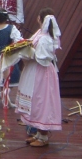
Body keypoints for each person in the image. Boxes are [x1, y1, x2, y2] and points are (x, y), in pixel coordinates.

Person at [15, 9, 62, 147]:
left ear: (39, 18)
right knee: (36, 101)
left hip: (42, 73)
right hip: (34, 71)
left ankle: (44, 137)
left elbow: (43, 59)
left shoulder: (46, 38)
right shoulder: (40, 33)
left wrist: (28, 52)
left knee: (42, 101)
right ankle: (38, 134)